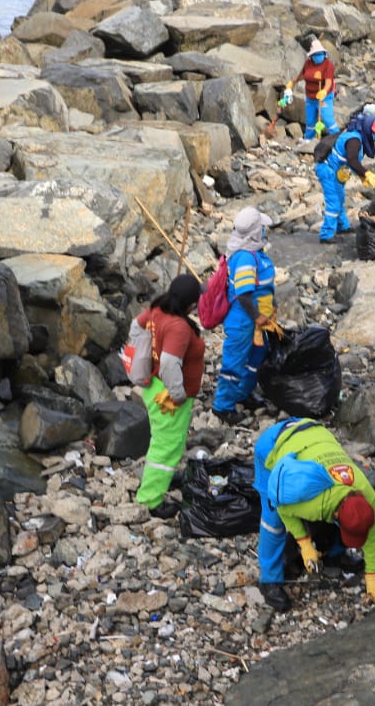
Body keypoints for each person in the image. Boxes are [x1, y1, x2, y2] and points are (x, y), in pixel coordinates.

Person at [252, 417, 375, 612]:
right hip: (274, 446)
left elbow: (372, 533)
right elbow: (282, 507)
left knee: (344, 520)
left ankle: (335, 555)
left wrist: (374, 574)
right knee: (273, 520)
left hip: (315, 435)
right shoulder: (314, 503)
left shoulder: (367, 494)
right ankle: (269, 581)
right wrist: (304, 542)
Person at [134, 273, 207, 519]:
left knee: (164, 439)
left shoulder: (158, 308)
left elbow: (136, 326)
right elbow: (168, 363)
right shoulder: (178, 326)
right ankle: (151, 500)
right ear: (189, 304)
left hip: (153, 386)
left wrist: (145, 356)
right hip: (167, 395)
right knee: (166, 446)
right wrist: (177, 394)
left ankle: (159, 480)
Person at [210, 207, 279, 425]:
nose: (265, 232)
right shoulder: (245, 258)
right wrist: (258, 317)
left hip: (258, 319)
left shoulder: (255, 253)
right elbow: (243, 294)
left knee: (256, 357)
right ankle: (223, 406)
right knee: (235, 361)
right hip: (243, 320)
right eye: (263, 228)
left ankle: (243, 393)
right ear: (255, 232)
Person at [315, 105, 375, 243]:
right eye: (373, 133)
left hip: (337, 172)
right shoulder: (354, 140)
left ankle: (343, 226)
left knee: (340, 198)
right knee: (334, 202)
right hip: (328, 170)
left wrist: (360, 176)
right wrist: (366, 174)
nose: (374, 136)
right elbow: (352, 160)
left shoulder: (358, 137)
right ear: (367, 128)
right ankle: (326, 235)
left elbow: (351, 162)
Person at [283, 38, 337, 142]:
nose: (318, 56)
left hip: (323, 97)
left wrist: (324, 91)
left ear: (323, 53)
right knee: (310, 120)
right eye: (316, 54)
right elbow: (303, 75)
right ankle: (309, 139)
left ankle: (337, 139)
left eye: (320, 53)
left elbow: (329, 82)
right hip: (310, 96)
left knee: (327, 118)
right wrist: (292, 83)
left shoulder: (328, 65)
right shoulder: (308, 63)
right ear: (312, 55)